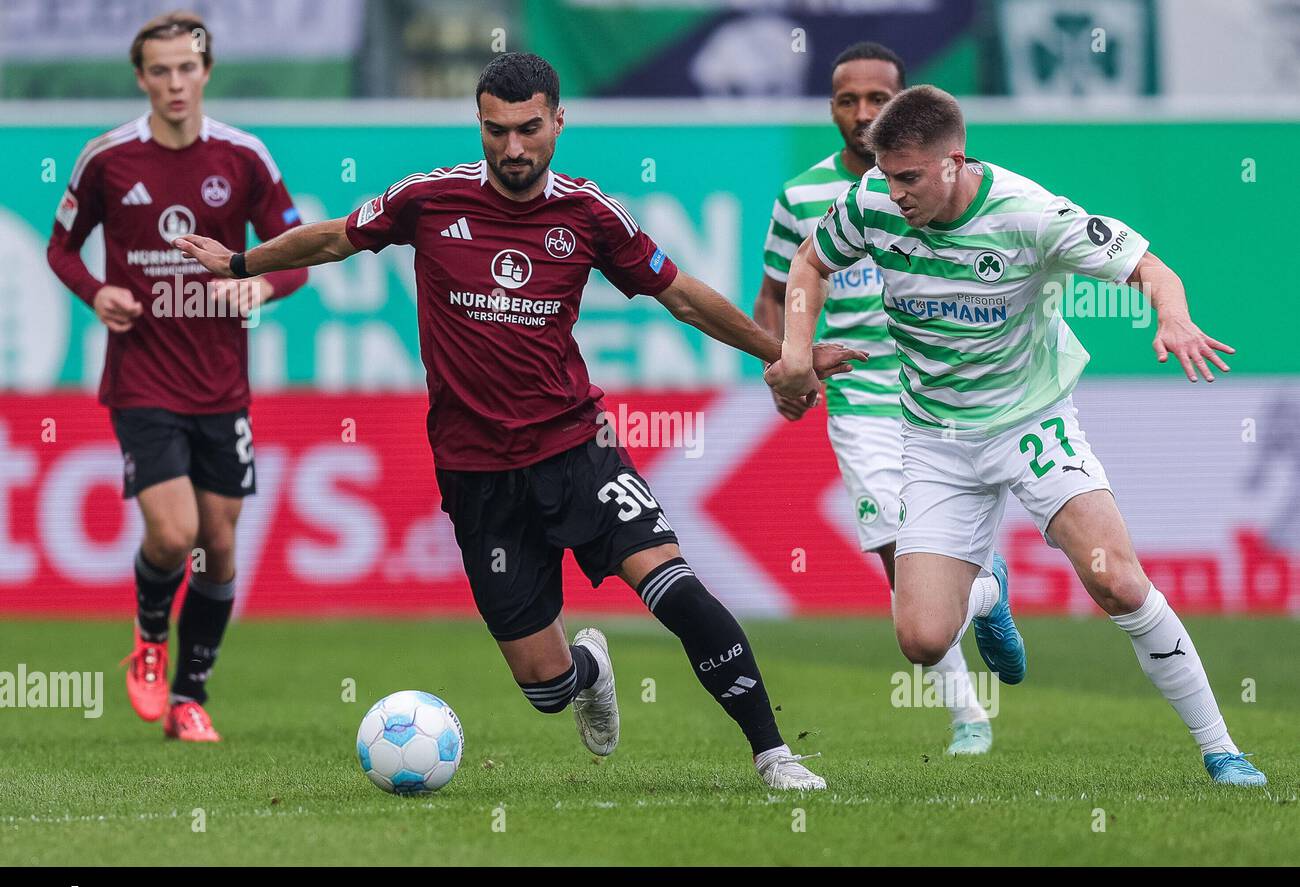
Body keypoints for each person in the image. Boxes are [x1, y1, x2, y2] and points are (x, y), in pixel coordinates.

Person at [175, 52, 866, 790]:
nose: (512, 148)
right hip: (475, 471)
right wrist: (241, 263)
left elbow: (686, 297)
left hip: (577, 447)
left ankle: (774, 756)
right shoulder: (427, 199)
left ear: (558, 123)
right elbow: (333, 238)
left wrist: (788, 354)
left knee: (677, 589)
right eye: (494, 130)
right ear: (479, 124)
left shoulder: (591, 215)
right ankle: (592, 669)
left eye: (528, 129)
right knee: (543, 685)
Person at [767, 84, 1266, 786]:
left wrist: (1173, 318)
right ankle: (988, 592)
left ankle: (1222, 750)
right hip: (936, 438)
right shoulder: (869, 203)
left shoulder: (1029, 214)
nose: (895, 193)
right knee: (921, 640)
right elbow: (811, 264)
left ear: (956, 161)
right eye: (885, 176)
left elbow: (1148, 267)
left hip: (1032, 422)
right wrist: (795, 351)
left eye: (910, 177)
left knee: (1118, 583)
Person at [46, 10, 309, 742]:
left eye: (186, 69)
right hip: (143, 380)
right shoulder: (108, 159)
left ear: (206, 71)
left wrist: (258, 285)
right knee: (174, 532)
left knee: (219, 548)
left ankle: (191, 697)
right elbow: (61, 249)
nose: (174, 83)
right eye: (159, 71)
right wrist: (96, 292)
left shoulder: (244, 157)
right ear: (141, 78)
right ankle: (150, 637)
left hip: (222, 385)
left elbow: (297, 254)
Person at [756, 43, 1016, 756]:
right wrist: (786, 366)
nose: (864, 112)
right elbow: (777, 297)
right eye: (848, 99)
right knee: (900, 556)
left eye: (879, 98)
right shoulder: (803, 197)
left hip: (948, 386)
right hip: (863, 396)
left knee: (935, 559)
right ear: (831, 107)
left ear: (904, 104)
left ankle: (984, 590)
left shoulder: (942, 184)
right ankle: (967, 714)